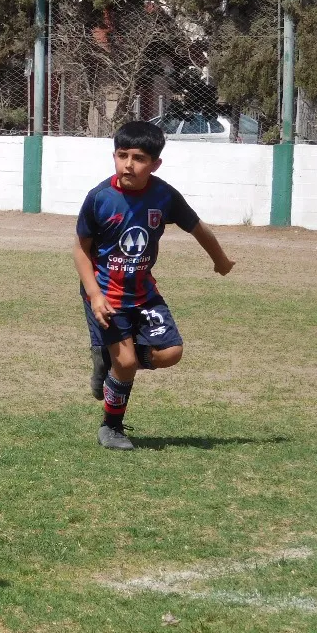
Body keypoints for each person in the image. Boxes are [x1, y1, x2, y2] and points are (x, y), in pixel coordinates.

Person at [75, 120, 235, 451]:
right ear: (114, 156)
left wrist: (219, 259)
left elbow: (198, 228)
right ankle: (111, 427)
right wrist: (93, 295)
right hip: (106, 294)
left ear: (155, 163)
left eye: (139, 158)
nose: (129, 164)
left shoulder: (163, 195)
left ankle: (111, 361)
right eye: (122, 155)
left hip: (144, 293)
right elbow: (81, 249)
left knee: (172, 352)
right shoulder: (99, 198)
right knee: (128, 363)